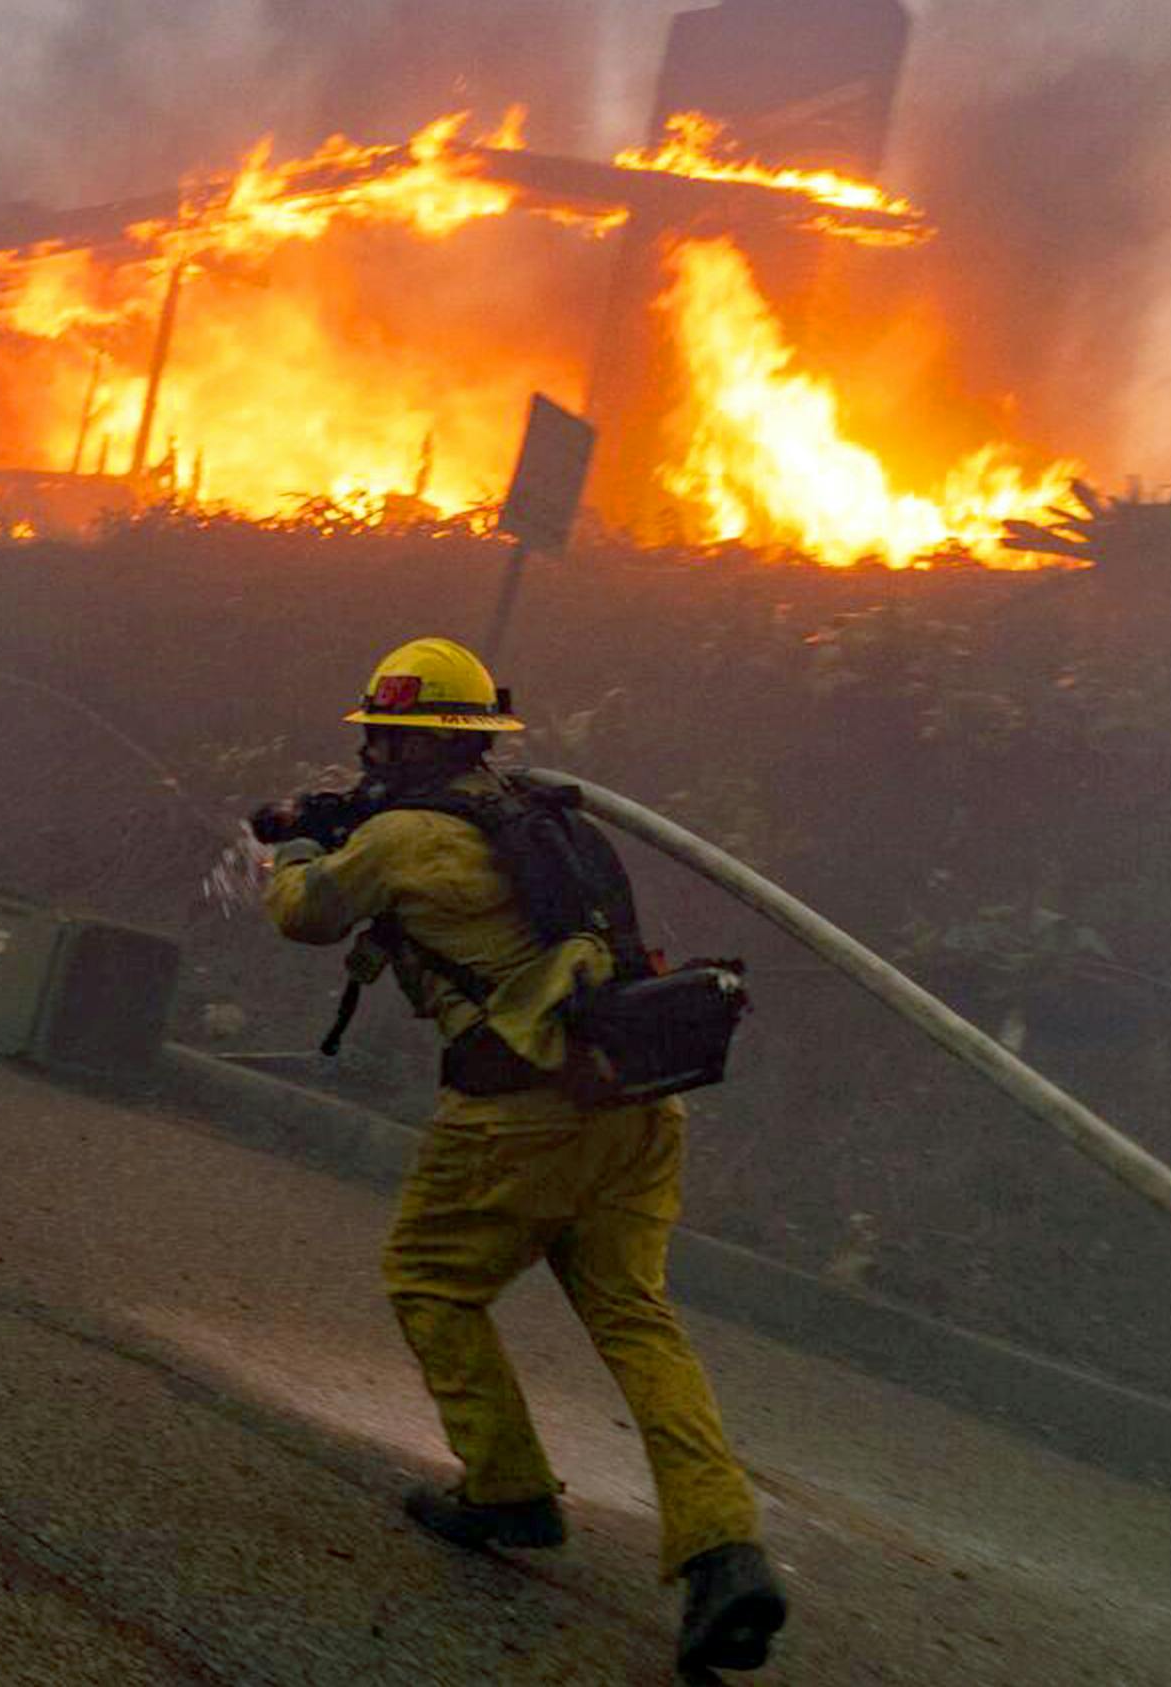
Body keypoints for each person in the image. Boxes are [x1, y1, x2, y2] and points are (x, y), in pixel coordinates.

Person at [258, 636, 788, 1679]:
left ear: (406, 739)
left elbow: (305, 915)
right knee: (636, 1316)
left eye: (380, 733)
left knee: (430, 1282)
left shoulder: (405, 834)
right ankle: (725, 1550)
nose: (369, 749)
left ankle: (505, 1488)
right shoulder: (544, 816)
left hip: (520, 1115)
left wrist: (292, 844)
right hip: (633, 1098)